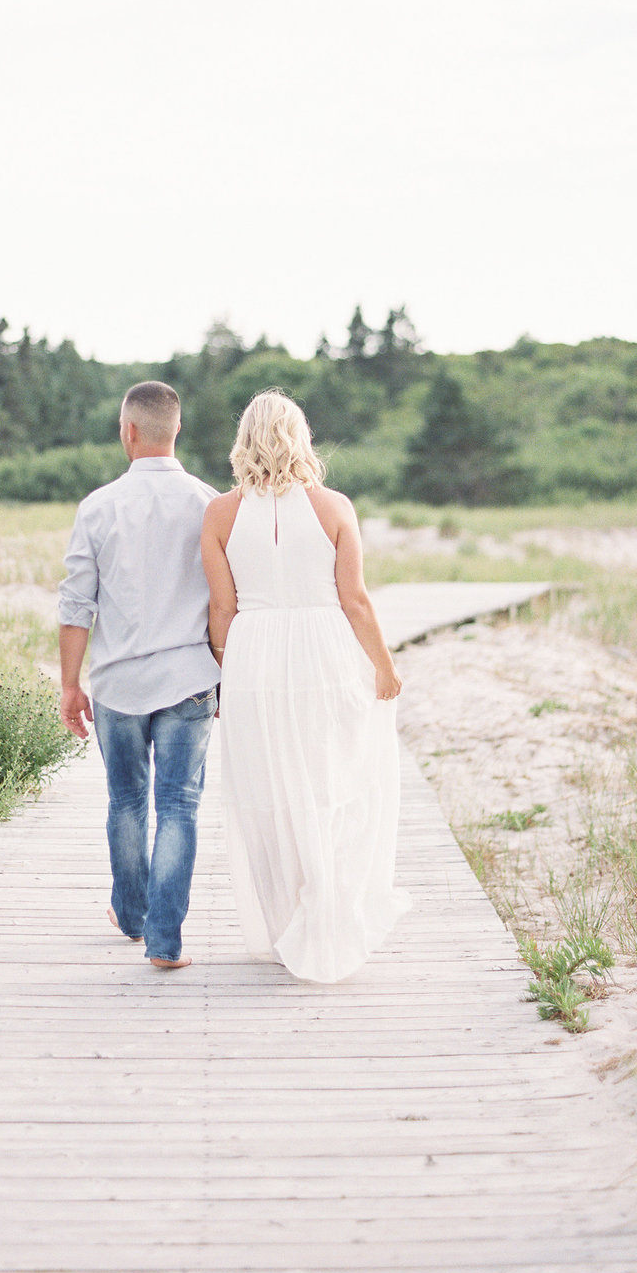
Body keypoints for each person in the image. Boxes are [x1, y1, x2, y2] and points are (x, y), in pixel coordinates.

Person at [201, 391, 411, 983]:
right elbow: (355, 600)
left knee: (268, 790)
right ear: (302, 437)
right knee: (336, 778)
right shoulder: (334, 506)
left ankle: (293, 915)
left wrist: (224, 674)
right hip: (325, 650)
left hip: (253, 653)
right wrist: (385, 667)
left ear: (244, 439)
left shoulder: (219, 514)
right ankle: (329, 905)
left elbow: (223, 607)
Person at [58, 381, 219, 969]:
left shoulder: (97, 507)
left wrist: (70, 684)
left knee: (127, 800)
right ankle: (164, 940)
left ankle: (131, 915)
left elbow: (77, 605)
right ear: (176, 429)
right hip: (191, 676)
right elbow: (228, 601)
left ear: (128, 431)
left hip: (119, 683)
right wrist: (224, 673)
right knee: (179, 805)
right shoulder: (211, 503)